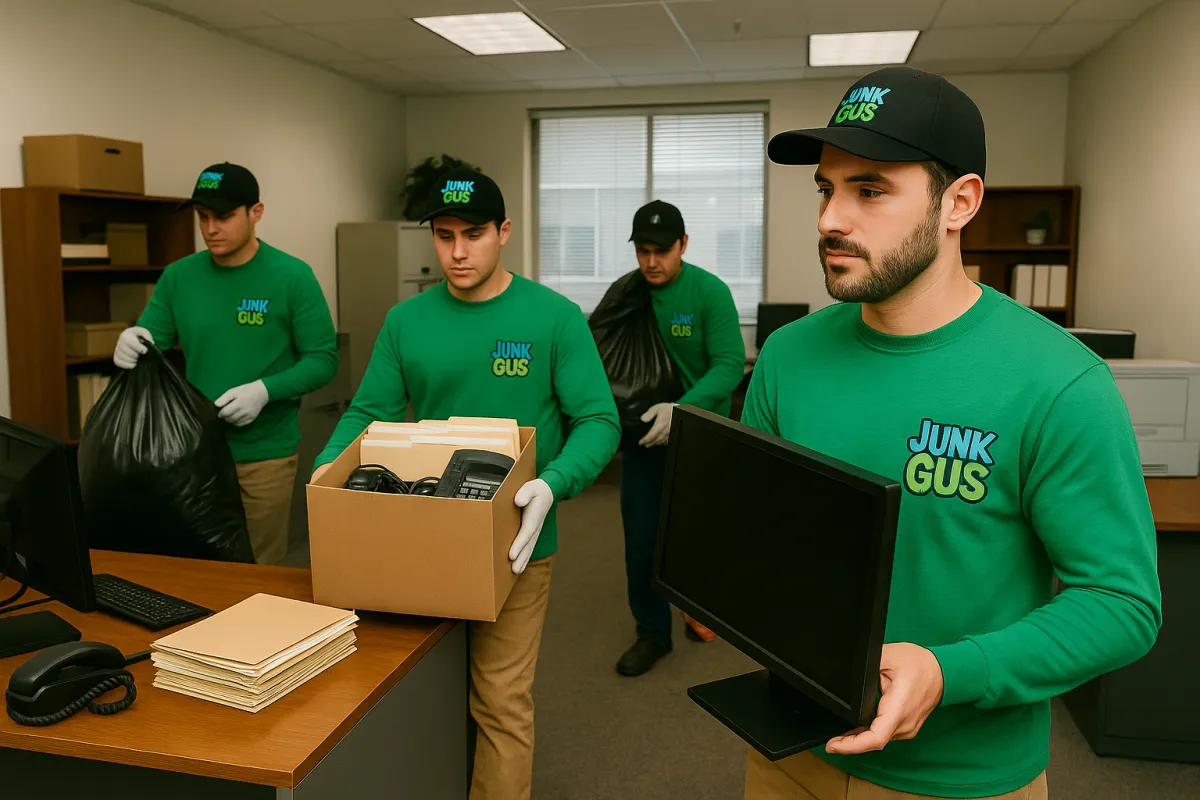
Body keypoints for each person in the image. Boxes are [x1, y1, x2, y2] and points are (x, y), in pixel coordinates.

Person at [737, 66, 1162, 800]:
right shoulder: (788, 356)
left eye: (870, 191)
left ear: (958, 203)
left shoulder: (1059, 383)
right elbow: (766, 530)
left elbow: (1121, 604)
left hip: (958, 777)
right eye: (826, 189)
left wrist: (947, 671)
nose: (831, 219)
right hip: (789, 750)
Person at [311, 168, 620, 800]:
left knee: (501, 703)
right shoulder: (406, 321)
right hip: (423, 534)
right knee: (415, 691)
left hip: (517, 542)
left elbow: (598, 420)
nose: (457, 252)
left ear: (504, 232)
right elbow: (368, 410)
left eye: (473, 235)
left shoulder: (553, 318)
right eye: (444, 235)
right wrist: (330, 466)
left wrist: (554, 484)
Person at [113, 162, 338, 566]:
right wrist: (132, 340)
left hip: (265, 453)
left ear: (256, 212)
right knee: (201, 565)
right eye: (203, 217)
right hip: (194, 451)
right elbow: (153, 340)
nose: (211, 228)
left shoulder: (292, 276)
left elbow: (323, 361)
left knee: (258, 569)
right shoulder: (180, 276)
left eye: (224, 216)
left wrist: (264, 390)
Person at [615, 200, 746, 677]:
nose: (652, 262)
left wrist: (682, 409)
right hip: (645, 441)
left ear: (684, 245)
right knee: (642, 542)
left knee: (696, 537)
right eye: (643, 251)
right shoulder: (628, 294)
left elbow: (730, 363)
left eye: (662, 251)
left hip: (699, 439)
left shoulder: (708, 292)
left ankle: (700, 609)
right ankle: (652, 634)